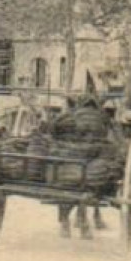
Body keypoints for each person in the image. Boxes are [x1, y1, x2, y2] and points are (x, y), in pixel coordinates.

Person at [51, 93, 111, 239]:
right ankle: (83, 222)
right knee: (89, 182)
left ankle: (65, 223)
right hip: (90, 157)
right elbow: (105, 136)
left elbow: (55, 132)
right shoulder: (102, 117)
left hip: (70, 155)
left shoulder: (72, 115)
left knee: (65, 182)